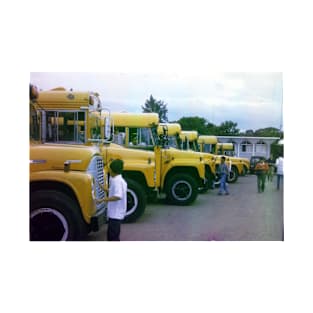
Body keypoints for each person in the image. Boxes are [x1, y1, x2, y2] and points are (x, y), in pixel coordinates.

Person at [105, 159, 127, 241]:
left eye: (109, 169)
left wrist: (103, 199)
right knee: (114, 235)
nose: (109, 171)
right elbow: (115, 192)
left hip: (115, 214)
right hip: (117, 213)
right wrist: (106, 190)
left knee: (112, 237)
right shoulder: (120, 180)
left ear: (113, 171)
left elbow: (118, 196)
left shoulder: (116, 181)